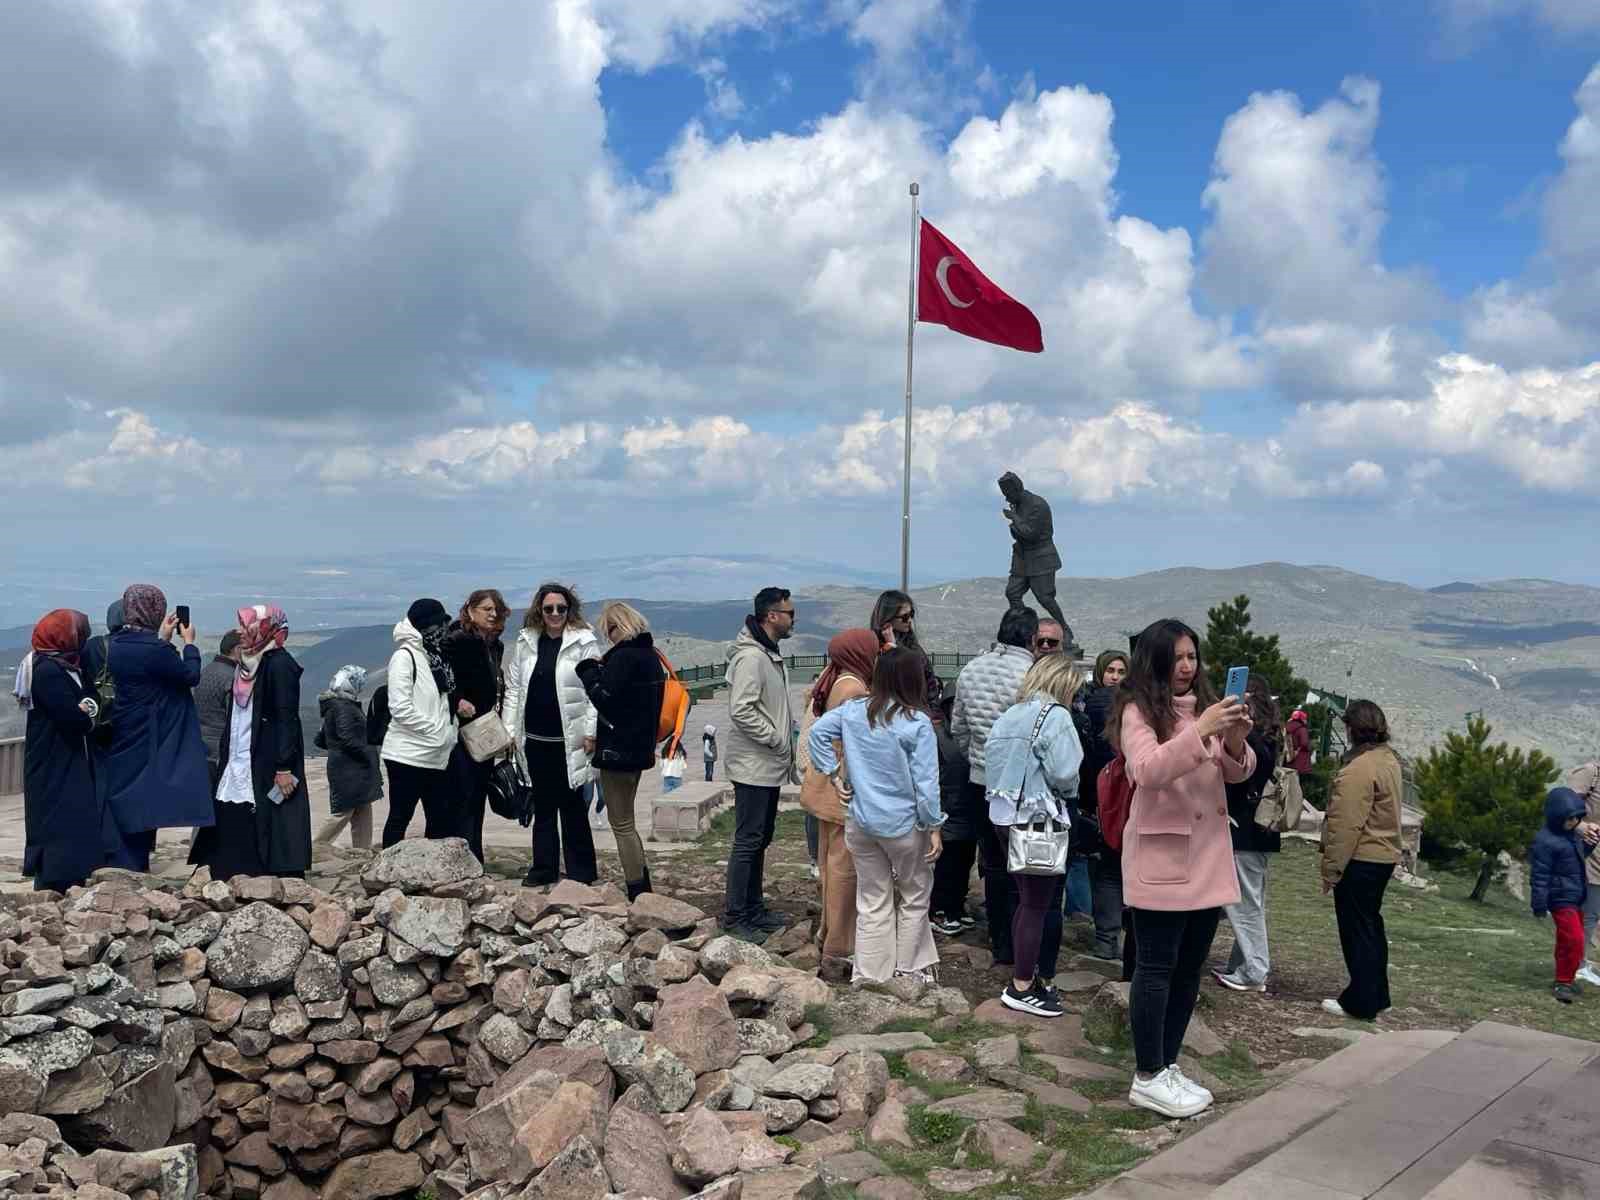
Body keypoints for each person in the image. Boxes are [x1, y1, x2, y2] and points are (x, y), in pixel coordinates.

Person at [1110, 618, 1254, 1118]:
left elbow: (1234, 772)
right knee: (1155, 966)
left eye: (1193, 655)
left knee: (1190, 967)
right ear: (1156, 661)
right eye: (1178, 657)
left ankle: (1168, 1064)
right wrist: (1205, 730)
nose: (1188, 666)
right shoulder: (1137, 710)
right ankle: (1147, 1073)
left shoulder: (1206, 709)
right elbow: (1147, 770)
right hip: (1164, 857)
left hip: (1208, 856)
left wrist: (1234, 739)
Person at [808, 647, 943, 985]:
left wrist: (834, 776)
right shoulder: (917, 723)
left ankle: (870, 974)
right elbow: (926, 784)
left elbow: (817, 734)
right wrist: (934, 826)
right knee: (914, 897)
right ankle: (907, 971)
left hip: (861, 822)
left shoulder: (853, 713)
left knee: (872, 899)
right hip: (904, 826)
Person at [985, 654, 1085, 1017]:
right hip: (1037, 818)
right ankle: (1023, 984)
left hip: (1003, 814)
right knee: (1037, 904)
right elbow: (1064, 773)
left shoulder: (1010, 714)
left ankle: (1023, 975)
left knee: (1025, 899)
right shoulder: (1056, 717)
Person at [190, 604, 311, 880]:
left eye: (248, 626)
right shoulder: (250, 661)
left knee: (267, 818)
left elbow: (285, 718)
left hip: (266, 757)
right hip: (239, 753)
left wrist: (283, 767)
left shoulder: (279, 664)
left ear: (265, 629)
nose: (241, 632)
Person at [951, 605, 1038, 965]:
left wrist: (978, 759)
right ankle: (1020, 942)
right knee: (1023, 865)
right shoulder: (1031, 676)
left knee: (994, 863)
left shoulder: (971, 669)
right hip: (1019, 784)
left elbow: (959, 728)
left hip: (980, 779)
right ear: (1032, 638)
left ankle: (998, 936)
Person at [104, 585, 212, 872]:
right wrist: (189, 644)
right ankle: (134, 866)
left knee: (128, 795)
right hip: (151, 732)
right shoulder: (156, 651)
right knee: (144, 796)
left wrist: (162, 639)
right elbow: (188, 676)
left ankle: (123, 860)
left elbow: (146, 666)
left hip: (126, 726)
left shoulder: (117, 645)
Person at [502, 583, 601, 887]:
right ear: (539, 611)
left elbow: (593, 691)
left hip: (569, 739)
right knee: (543, 805)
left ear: (569, 610)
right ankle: (543, 868)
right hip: (535, 739)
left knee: (573, 806)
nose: (555, 613)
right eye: (549, 608)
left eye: (561, 608)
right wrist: (509, 730)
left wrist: (591, 730)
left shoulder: (584, 642)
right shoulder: (526, 642)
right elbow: (515, 689)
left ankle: (581, 871)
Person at [574, 601, 666, 899]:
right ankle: (642, 883)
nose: (607, 636)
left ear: (619, 626)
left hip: (618, 751)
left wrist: (588, 672)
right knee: (628, 821)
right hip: (639, 749)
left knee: (622, 823)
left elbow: (606, 699)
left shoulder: (624, 658)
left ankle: (637, 888)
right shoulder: (649, 657)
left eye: (608, 630)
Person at [722, 586, 799, 943]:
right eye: (789, 613)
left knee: (760, 837)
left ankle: (753, 908)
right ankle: (736, 914)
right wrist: (775, 737)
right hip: (754, 762)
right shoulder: (753, 658)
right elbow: (741, 708)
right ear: (772, 616)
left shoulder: (767, 654)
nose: (792, 618)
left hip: (766, 764)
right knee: (749, 839)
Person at [799, 629, 878, 972]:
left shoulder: (837, 680)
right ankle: (840, 946)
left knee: (831, 867)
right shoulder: (854, 688)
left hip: (828, 791)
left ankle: (828, 934)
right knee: (844, 872)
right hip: (843, 792)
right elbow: (854, 743)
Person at [1319, 700, 1402, 1022]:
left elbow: (1345, 824)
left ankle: (1361, 1001)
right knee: (1370, 927)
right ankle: (1379, 995)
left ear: (1351, 729)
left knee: (1357, 932)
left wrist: (1332, 869)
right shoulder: (1388, 760)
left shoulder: (1358, 769)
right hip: (1382, 856)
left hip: (1361, 858)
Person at [22, 610, 103, 892]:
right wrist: (85, 715)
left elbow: (91, 700)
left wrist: (87, 711)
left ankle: (72, 876)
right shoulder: (47, 671)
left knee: (74, 815)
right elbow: (71, 717)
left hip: (70, 755)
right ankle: (53, 881)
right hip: (53, 758)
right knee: (57, 817)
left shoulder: (70, 666)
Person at [1213, 674, 1282, 993]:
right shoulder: (1272, 735)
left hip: (1243, 830)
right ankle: (1241, 964)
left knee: (1245, 906)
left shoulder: (1250, 740)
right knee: (1251, 901)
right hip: (1260, 832)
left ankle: (1255, 970)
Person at [380, 599, 459, 848]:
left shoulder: (436, 657)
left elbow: (443, 702)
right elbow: (400, 707)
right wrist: (437, 731)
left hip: (436, 753)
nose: (442, 631)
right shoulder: (405, 657)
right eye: (438, 625)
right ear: (426, 626)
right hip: (407, 754)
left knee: (439, 818)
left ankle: (432, 873)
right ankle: (387, 873)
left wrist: (448, 733)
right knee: (400, 816)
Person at [445, 589, 510, 863]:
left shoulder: (495, 644)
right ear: (470, 610)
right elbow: (445, 678)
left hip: (486, 728)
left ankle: (476, 856)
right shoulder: (459, 640)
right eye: (486, 608)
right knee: (463, 794)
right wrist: (458, 699)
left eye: (496, 609)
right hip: (463, 729)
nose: (492, 614)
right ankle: (463, 858)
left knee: (478, 796)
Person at [1531, 787, 1600, 1004]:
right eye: (1569, 819)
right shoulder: (1545, 841)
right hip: (1560, 898)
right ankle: (1563, 982)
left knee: (1566, 941)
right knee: (1575, 940)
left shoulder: (1570, 836)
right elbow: (1539, 876)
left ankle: (1565, 980)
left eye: (1577, 819)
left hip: (1575, 896)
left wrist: (1591, 844)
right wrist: (1539, 904)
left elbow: (1576, 859)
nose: (1574, 823)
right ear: (1556, 816)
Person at [1081, 650, 1128, 965]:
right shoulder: (1132, 706)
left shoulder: (1087, 702)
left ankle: (1106, 939)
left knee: (1106, 871)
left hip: (1100, 796)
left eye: (1120, 671)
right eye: (1110, 669)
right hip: (1121, 794)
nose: (1114, 676)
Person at [998, 471, 1072, 648]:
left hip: (1040, 558)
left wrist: (1014, 518)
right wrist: (1015, 520)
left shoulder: (1037, 505)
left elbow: (1030, 534)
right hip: (1022, 558)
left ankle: (1065, 630)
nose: (1007, 499)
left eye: (1008, 494)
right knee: (1013, 593)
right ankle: (1021, 632)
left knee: (1045, 598)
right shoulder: (1017, 504)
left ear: (1017, 489)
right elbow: (1016, 534)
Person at [314, 665, 382, 850]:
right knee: (344, 811)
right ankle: (317, 847)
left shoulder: (336, 705)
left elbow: (321, 739)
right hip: (350, 769)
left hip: (349, 766)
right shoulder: (343, 707)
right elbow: (347, 738)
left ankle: (362, 850)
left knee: (362, 808)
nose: (360, 686)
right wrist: (368, 753)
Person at [929, 693, 977, 936]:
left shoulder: (974, 734)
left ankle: (957, 906)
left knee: (965, 861)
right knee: (947, 864)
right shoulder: (936, 735)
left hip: (970, 807)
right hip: (948, 809)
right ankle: (939, 910)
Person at [871, 589, 941, 706]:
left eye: (911, 614)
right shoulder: (874, 646)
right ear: (889, 618)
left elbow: (927, 681)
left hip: (919, 709)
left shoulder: (912, 645)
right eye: (904, 617)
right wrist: (892, 648)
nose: (909, 620)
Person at [1565, 763, 1600, 985]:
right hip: (1587, 852)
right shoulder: (1591, 773)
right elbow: (1564, 808)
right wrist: (1581, 828)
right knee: (1588, 914)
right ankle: (1576, 965)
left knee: (1593, 914)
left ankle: (1579, 963)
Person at [194, 631, 242, 789]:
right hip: (221, 752)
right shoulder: (232, 678)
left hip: (200, 748)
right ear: (237, 649)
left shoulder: (205, 671)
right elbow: (235, 720)